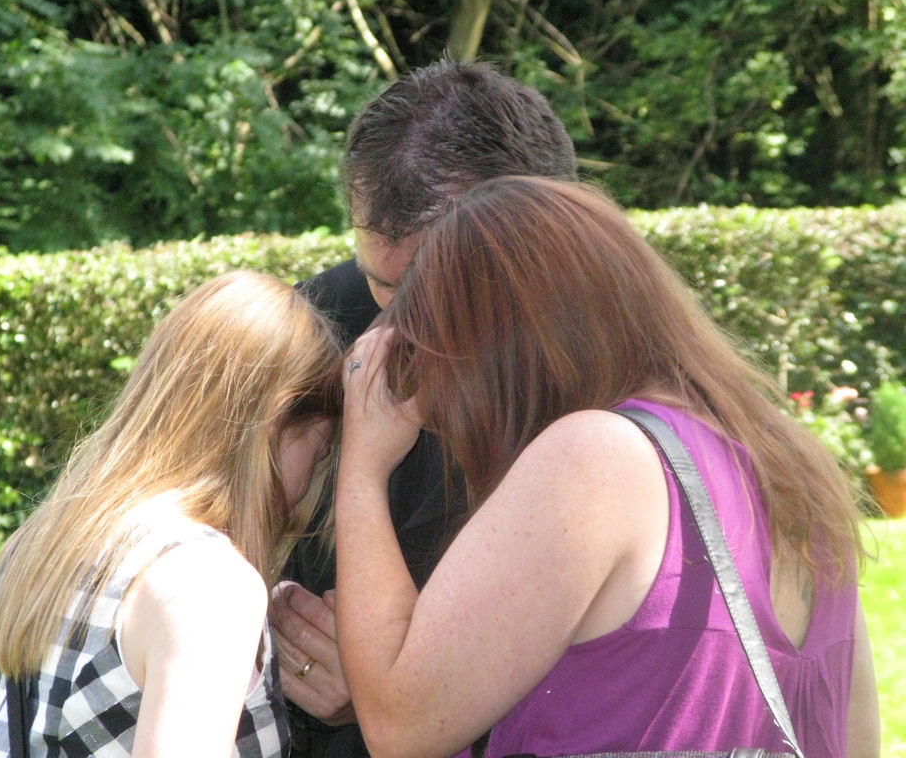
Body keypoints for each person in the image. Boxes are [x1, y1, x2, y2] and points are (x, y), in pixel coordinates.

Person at [335, 177, 881, 758]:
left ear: (496, 355)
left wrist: (363, 466)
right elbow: (857, 738)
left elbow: (399, 727)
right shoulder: (787, 462)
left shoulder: (594, 458)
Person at [272, 56, 579, 758]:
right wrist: (275, 636)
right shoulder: (306, 334)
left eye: (437, 278)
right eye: (382, 283)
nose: (403, 322)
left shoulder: (611, 373)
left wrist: (400, 687)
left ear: (546, 235)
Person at [0, 271, 342, 758]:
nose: (312, 482)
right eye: (322, 451)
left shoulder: (39, 550)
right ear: (277, 421)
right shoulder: (207, 585)